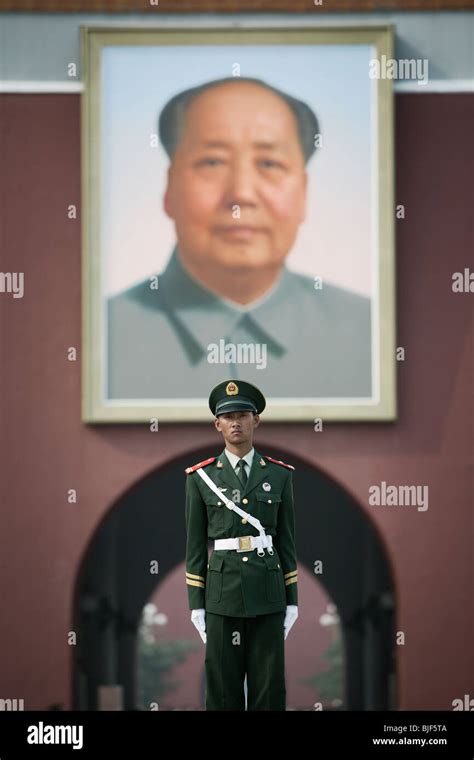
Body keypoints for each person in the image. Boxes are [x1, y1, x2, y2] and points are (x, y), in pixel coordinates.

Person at [107, 76, 371, 400]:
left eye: (269, 163)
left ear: (303, 193)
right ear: (169, 188)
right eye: (212, 162)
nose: (242, 194)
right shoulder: (101, 340)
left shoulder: (371, 338)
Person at [184, 379, 298, 710]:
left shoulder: (280, 475)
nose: (236, 422)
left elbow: (287, 543)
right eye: (229, 417)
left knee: (269, 687)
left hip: (268, 590)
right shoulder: (200, 477)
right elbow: (194, 548)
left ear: (256, 421)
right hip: (222, 594)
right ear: (217, 424)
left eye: (243, 415)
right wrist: (196, 603)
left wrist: (292, 599)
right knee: (222, 688)